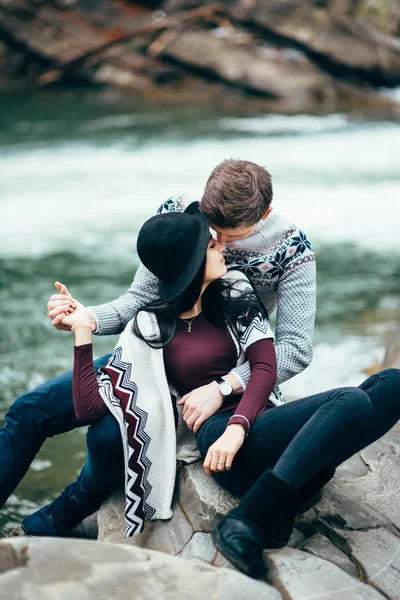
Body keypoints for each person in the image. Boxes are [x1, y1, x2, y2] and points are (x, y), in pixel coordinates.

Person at [17, 206, 400, 581]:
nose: (222, 247)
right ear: (190, 264)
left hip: (254, 421)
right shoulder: (149, 326)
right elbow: (88, 407)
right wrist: (83, 330)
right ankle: (247, 521)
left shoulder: (235, 292)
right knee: (349, 402)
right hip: (219, 440)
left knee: (393, 384)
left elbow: (266, 365)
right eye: (211, 245)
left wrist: (239, 421)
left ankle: (282, 496)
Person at [0, 159, 316, 512]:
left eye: (233, 235)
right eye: (213, 232)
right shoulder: (181, 212)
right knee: (28, 412)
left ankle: (56, 521)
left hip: (215, 377)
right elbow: (141, 299)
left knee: (107, 439)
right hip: (150, 355)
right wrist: (85, 318)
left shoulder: (293, 250)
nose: (221, 243)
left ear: (265, 214)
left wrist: (224, 385)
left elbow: (295, 348)